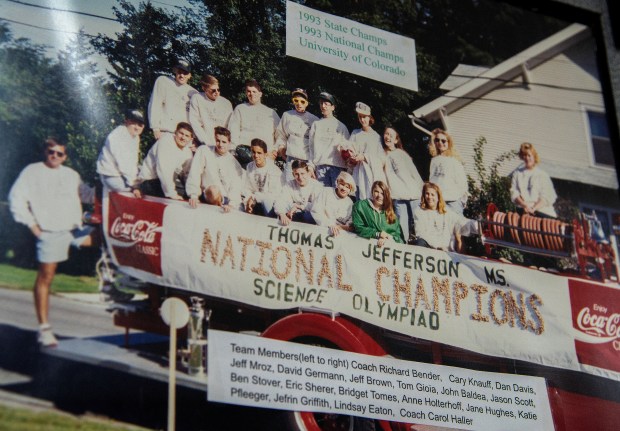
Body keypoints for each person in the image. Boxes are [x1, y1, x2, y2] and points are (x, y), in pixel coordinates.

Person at [8, 139, 98, 347]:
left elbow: (87, 195)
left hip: (74, 229)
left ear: (65, 157)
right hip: (50, 232)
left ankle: (111, 284)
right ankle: (44, 329)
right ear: (45, 152)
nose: (55, 156)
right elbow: (16, 199)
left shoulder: (71, 174)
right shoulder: (32, 172)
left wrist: (104, 184)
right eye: (51, 152)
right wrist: (32, 226)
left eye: (59, 154)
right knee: (46, 276)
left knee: (109, 240)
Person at [186, 126, 244, 212]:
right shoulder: (204, 150)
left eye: (224, 142)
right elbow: (195, 172)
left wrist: (231, 204)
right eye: (218, 141)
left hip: (226, 199)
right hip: (208, 194)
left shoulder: (235, 164)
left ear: (229, 143)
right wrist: (193, 195)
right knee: (213, 190)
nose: (220, 144)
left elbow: (235, 187)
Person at [383, 126, 424, 243]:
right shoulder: (382, 155)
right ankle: (403, 247)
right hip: (397, 197)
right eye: (386, 134)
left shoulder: (401, 154)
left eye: (391, 135)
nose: (388, 137)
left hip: (413, 195)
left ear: (396, 140)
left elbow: (414, 172)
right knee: (402, 227)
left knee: (418, 225)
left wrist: (422, 189)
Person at [137, 122, 195, 200]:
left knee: (186, 193)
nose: (183, 137)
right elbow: (164, 171)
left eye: (187, 136)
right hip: (149, 181)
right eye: (181, 133)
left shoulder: (187, 151)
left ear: (191, 139)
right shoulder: (165, 141)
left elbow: (186, 175)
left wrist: (192, 194)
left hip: (165, 182)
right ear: (175, 132)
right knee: (176, 193)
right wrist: (172, 194)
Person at [413, 182, 474, 252]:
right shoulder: (419, 211)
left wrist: (478, 226)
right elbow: (420, 233)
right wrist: (437, 246)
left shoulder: (446, 211)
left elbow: (460, 221)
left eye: (432, 195)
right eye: (427, 194)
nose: (429, 197)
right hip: (427, 246)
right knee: (420, 242)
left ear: (438, 197)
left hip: (444, 249)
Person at [227, 78, 280, 157]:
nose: (251, 94)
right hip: (244, 154)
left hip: (266, 155)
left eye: (254, 91)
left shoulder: (271, 112)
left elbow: (280, 134)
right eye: (249, 91)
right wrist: (233, 151)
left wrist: (275, 150)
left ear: (260, 94)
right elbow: (233, 131)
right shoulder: (240, 109)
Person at [96, 109, 145, 193]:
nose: (136, 127)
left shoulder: (135, 137)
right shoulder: (118, 135)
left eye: (140, 125)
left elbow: (133, 161)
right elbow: (123, 163)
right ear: (126, 122)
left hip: (121, 174)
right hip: (110, 175)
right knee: (129, 193)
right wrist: (134, 185)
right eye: (133, 123)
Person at [148, 59, 198, 140]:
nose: (182, 75)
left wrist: (194, 138)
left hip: (184, 137)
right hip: (166, 132)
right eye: (179, 72)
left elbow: (195, 118)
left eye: (185, 73)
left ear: (189, 75)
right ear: (175, 71)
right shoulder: (164, 81)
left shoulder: (194, 93)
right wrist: (155, 128)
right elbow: (155, 104)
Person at [275, 88, 319, 181]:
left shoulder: (314, 120)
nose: (299, 104)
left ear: (306, 103)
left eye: (302, 101)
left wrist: (312, 165)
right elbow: (281, 135)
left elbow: (316, 144)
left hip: (306, 161)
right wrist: (281, 147)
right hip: (290, 160)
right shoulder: (287, 115)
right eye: (296, 100)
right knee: (288, 185)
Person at [345, 102, 386, 200]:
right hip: (357, 173)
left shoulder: (376, 137)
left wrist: (364, 157)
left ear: (369, 117)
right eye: (360, 117)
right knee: (358, 201)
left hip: (369, 176)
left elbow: (380, 160)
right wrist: (352, 159)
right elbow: (348, 151)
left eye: (364, 117)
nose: (362, 120)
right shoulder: (355, 134)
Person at [308, 92, 350, 187]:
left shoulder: (341, 126)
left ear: (333, 107)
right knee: (322, 196)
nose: (323, 106)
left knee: (337, 196)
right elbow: (311, 147)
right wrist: (310, 166)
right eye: (321, 103)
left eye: (326, 104)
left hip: (338, 167)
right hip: (320, 167)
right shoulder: (316, 124)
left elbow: (347, 150)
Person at [510, 142, 558, 218]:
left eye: (529, 155)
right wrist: (524, 205)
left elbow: (546, 197)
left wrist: (533, 208)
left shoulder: (542, 175)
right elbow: (514, 192)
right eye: (524, 155)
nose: (527, 158)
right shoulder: (517, 173)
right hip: (524, 211)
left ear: (534, 157)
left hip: (542, 212)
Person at [428, 128, 468, 215]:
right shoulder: (434, 161)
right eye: (437, 140)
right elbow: (432, 181)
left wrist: (462, 200)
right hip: (438, 201)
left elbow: (463, 183)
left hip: (453, 201)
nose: (440, 143)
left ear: (448, 143)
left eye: (443, 141)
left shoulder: (454, 161)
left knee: (456, 228)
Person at [352, 180, 404, 247]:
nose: (379, 196)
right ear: (372, 192)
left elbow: (399, 238)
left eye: (382, 193)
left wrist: (387, 238)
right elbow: (358, 227)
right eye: (376, 192)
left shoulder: (390, 213)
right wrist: (377, 234)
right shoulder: (361, 206)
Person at [189, 74, 233, 148]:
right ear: (204, 88)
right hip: (204, 142)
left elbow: (229, 126)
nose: (216, 92)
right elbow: (195, 123)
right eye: (213, 90)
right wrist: (205, 142)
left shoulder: (226, 103)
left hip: (221, 144)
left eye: (218, 90)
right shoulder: (197, 98)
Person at [242, 138, 284, 216]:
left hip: (270, 204)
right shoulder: (250, 166)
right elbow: (247, 187)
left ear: (265, 154)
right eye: (253, 152)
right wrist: (249, 199)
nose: (256, 156)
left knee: (266, 201)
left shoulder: (274, 170)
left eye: (259, 153)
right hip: (255, 201)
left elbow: (273, 195)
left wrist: (254, 197)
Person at [274, 160, 323, 226]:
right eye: (296, 174)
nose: (300, 177)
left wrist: (299, 207)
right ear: (293, 174)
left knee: (307, 216)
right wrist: (282, 214)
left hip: (310, 218)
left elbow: (317, 207)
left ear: (308, 173)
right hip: (293, 213)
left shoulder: (316, 186)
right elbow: (280, 200)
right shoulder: (290, 184)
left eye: (302, 173)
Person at [310, 171, 356, 236]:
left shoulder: (350, 203)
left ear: (350, 190)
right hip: (322, 229)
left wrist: (340, 227)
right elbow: (316, 210)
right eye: (342, 184)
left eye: (347, 187)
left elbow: (350, 223)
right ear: (337, 183)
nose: (344, 189)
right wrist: (330, 224)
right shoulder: (326, 192)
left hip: (340, 233)